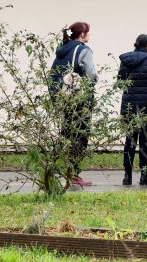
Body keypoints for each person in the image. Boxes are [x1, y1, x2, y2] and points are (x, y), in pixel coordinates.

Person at [49, 21, 98, 187]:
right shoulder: (83, 50)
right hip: (80, 99)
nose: (89, 35)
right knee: (80, 136)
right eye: (88, 32)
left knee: (66, 133)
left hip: (64, 99)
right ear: (82, 35)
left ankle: (52, 168)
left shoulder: (62, 50)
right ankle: (74, 174)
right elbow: (92, 75)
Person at [117, 34, 147, 186]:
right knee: (145, 141)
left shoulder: (126, 60)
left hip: (129, 106)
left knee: (130, 140)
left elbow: (120, 83)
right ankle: (145, 174)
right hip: (145, 105)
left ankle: (127, 174)